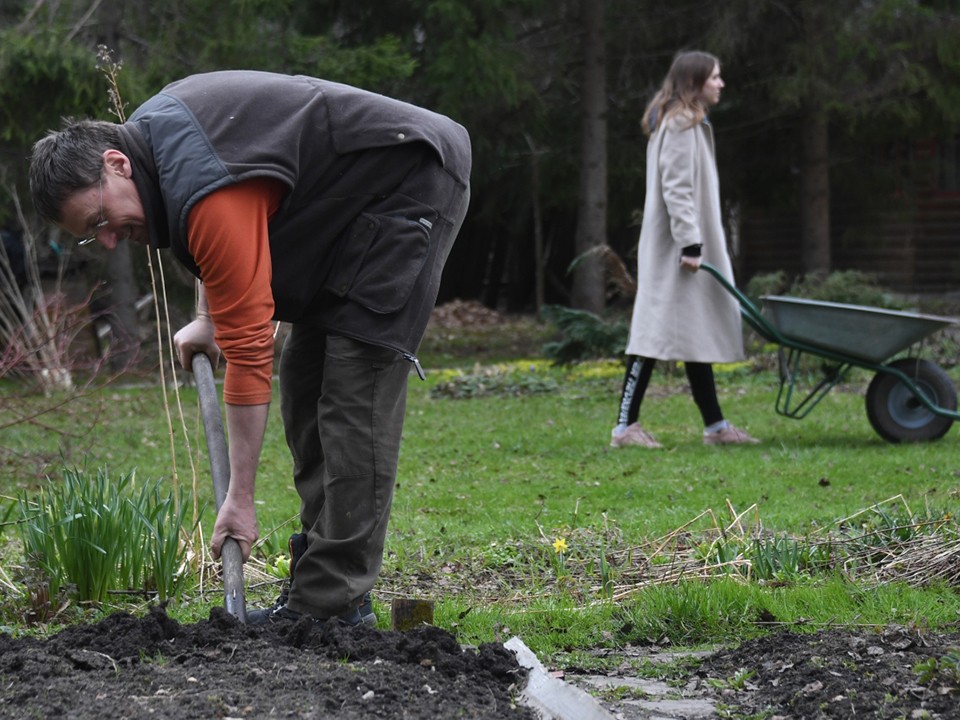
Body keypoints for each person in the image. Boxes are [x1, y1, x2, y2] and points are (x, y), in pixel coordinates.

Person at [30, 70, 471, 625]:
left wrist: (239, 498)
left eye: (102, 220)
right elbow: (219, 235)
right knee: (306, 382)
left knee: (354, 395)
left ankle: (331, 604)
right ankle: (320, 588)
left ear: (117, 163)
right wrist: (206, 318)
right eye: (95, 235)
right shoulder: (162, 154)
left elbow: (247, 350)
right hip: (342, 211)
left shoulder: (202, 184)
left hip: (409, 177)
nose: (112, 239)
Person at [610, 51, 758, 449]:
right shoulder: (678, 124)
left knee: (695, 332)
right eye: (715, 77)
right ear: (694, 82)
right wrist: (691, 243)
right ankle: (625, 428)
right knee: (651, 333)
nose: (721, 84)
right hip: (678, 251)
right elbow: (676, 189)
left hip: (686, 248)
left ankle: (715, 427)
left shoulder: (689, 123)